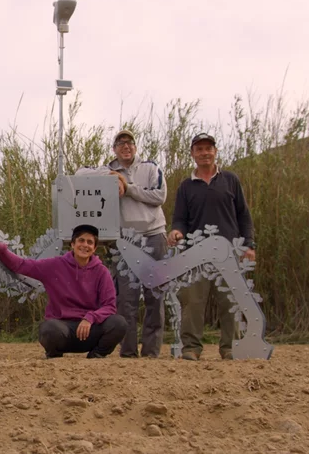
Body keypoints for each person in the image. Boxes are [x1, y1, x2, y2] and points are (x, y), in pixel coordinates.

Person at [76, 129, 168, 358]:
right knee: (126, 298)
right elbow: (79, 174)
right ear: (114, 149)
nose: (126, 146)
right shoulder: (108, 170)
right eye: (120, 143)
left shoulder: (150, 168)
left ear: (135, 147)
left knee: (154, 296)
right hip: (125, 241)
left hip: (154, 235)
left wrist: (127, 188)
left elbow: (159, 196)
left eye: (130, 143)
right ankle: (127, 352)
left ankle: (151, 352)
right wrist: (111, 175)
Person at [167, 133, 256, 361]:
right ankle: (191, 348)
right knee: (193, 302)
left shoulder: (230, 180)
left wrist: (249, 244)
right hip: (196, 254)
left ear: (215, 152)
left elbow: (243, 216)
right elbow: (180, 219)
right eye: (199, 149)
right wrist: (176, 232)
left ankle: (230, 347)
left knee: (230, 301)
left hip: (229, 251)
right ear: (193, 154)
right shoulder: (186, 186)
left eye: (208, 148)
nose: (204, 153)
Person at [0, 224, 127, 358]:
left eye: (90, 242)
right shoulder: (54, 265)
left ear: (94, 248)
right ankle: (55, 354)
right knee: (48, 329)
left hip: (90, 329)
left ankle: (96, 356)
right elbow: (21, 265)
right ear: (73, 244)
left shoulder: (102, 272)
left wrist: (90, 318)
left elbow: (109, 306)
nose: (85, 245)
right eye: (81, 240)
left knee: (119, 323)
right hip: (63, 329)